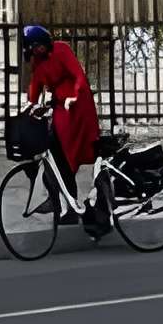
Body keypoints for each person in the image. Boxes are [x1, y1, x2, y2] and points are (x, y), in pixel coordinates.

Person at [22, 23, 103, 230]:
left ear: (43, 43)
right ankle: (62, 201)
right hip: (60, 108)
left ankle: (67, 204)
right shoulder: (38, 63)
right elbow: (35, 85)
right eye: (32, 48)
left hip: (77, 107)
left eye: (37, 46)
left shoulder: (61, 49)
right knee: (53, 153)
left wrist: (72, 96)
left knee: (62, 153)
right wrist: (31, 105)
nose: (35, 51)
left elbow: (78, 76)